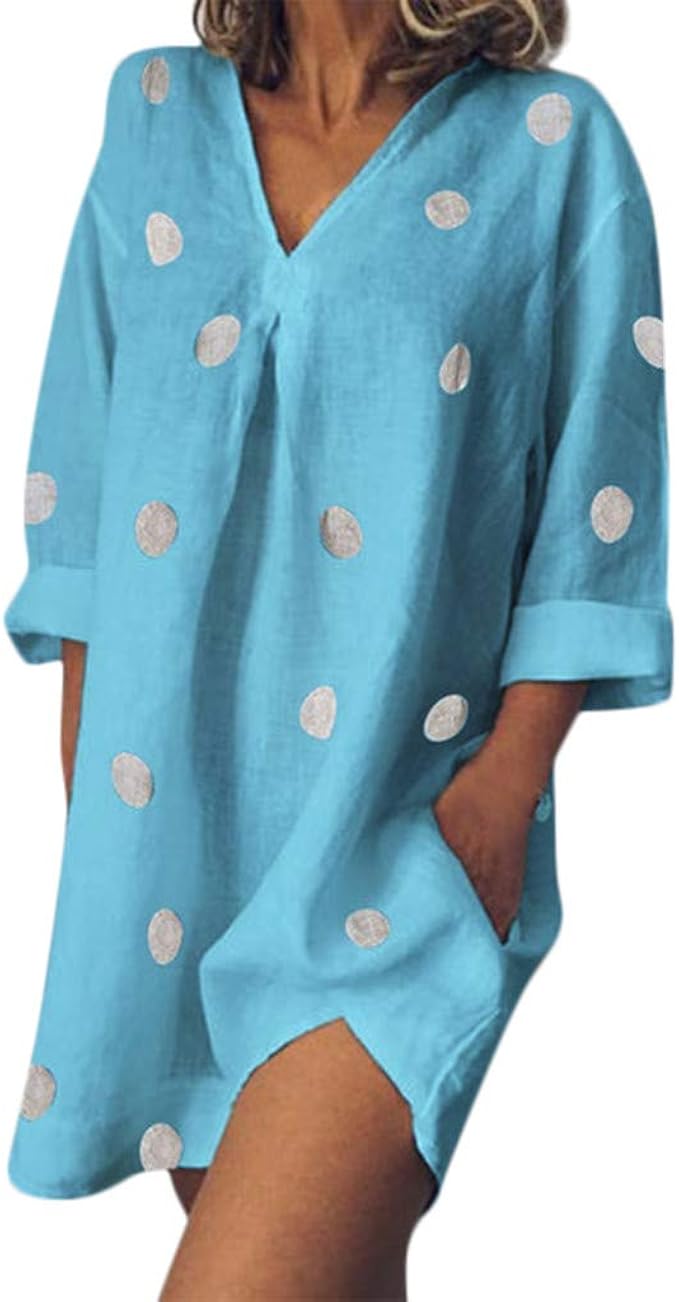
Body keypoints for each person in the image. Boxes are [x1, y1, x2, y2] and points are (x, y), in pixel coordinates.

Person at [4, 0, 673, 1297]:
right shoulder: (151, 115)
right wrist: (98, 793)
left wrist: (504, 789)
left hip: (405, 845)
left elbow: (603, 499)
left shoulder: (551, 143)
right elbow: (77, 489)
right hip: (175, 853)